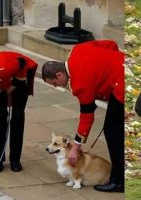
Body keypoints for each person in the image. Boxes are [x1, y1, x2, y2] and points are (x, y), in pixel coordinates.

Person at [41, 40, 124, 192]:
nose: (56, 86)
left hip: (121, 88)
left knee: (113, 132)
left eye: (54, 83)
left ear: (59, 75)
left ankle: (119, 180)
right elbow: (111, 44)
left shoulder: (80, 83)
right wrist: (114, 64)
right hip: (125, 67)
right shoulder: (77, 49)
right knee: (113, 129)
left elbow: (87, 117)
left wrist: (75, 148)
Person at [0, 51, 38, 172]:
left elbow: (22, 67)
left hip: (20, 78)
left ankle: (15, 160)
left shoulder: (7, 64)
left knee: (17, 116)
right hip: (3, 81)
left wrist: (11, 87)